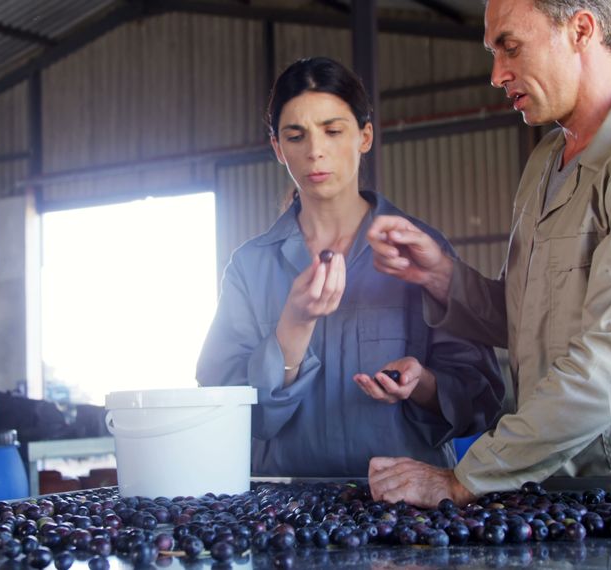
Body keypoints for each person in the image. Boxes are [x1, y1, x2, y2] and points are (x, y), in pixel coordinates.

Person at [366, 0, 611, 506]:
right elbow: (527, 320)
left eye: (510, 47)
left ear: (581, 29)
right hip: (546, 486)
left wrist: (464, 479)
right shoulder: (546, 163)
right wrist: (442, 277)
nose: (496, 74)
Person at [196, 57, 505, 477]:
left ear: (364, 136)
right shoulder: (250, 268)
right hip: (286, 515)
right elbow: (223, 413)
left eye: (333, 130)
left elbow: (482, 399)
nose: (315, 150)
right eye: (295, 135)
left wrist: (425, 386)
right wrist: (293, 327)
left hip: (407, 508)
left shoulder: (420, 253)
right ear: (277, 148)